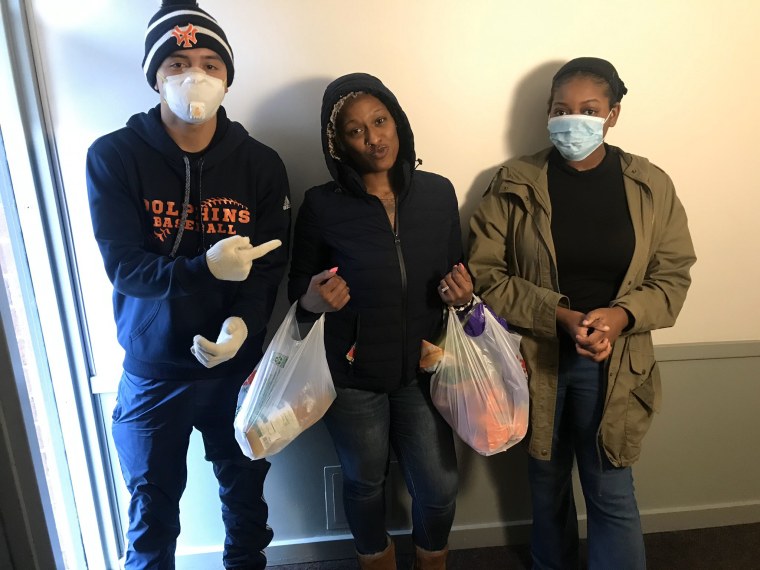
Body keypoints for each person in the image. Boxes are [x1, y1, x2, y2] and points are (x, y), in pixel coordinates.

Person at [468, 57, 696, 569]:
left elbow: (673, 277)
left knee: (610, 490)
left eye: (589, 109)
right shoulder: (515, 181)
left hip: (614, 363)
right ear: (546, 114)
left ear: (613, 114)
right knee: (546, 486)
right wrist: (561, 317)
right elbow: (486, 275)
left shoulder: (650, 185)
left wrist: (620, 316)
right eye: (560, 110)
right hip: (537, 359)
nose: (573, 121)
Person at [85, 1, 291, 568]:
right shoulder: (114, 157)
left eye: (209, 63)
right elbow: (124, 265)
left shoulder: (260, 165)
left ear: (227, 77)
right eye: (176, 63)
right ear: (155, 76)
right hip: (154, 372)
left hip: (234, 368)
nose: (193, 76)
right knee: (152, 515)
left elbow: (271, 262)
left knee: (247, 500)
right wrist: (201, 269)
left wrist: (243, 322)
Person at [288, 73, 472, 570]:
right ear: (338, 146)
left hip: (422, 367)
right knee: (365, 481)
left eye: (380, 120)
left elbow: (458, 271)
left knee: (439, 486)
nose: (374, 137)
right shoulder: (322, 205)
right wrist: (312, 299)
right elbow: (298, 295)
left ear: (397, 122)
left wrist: (464, 293)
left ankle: (432, 561)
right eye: (355, 130)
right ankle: (376, 560)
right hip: (352, 377)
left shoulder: (437, 193)